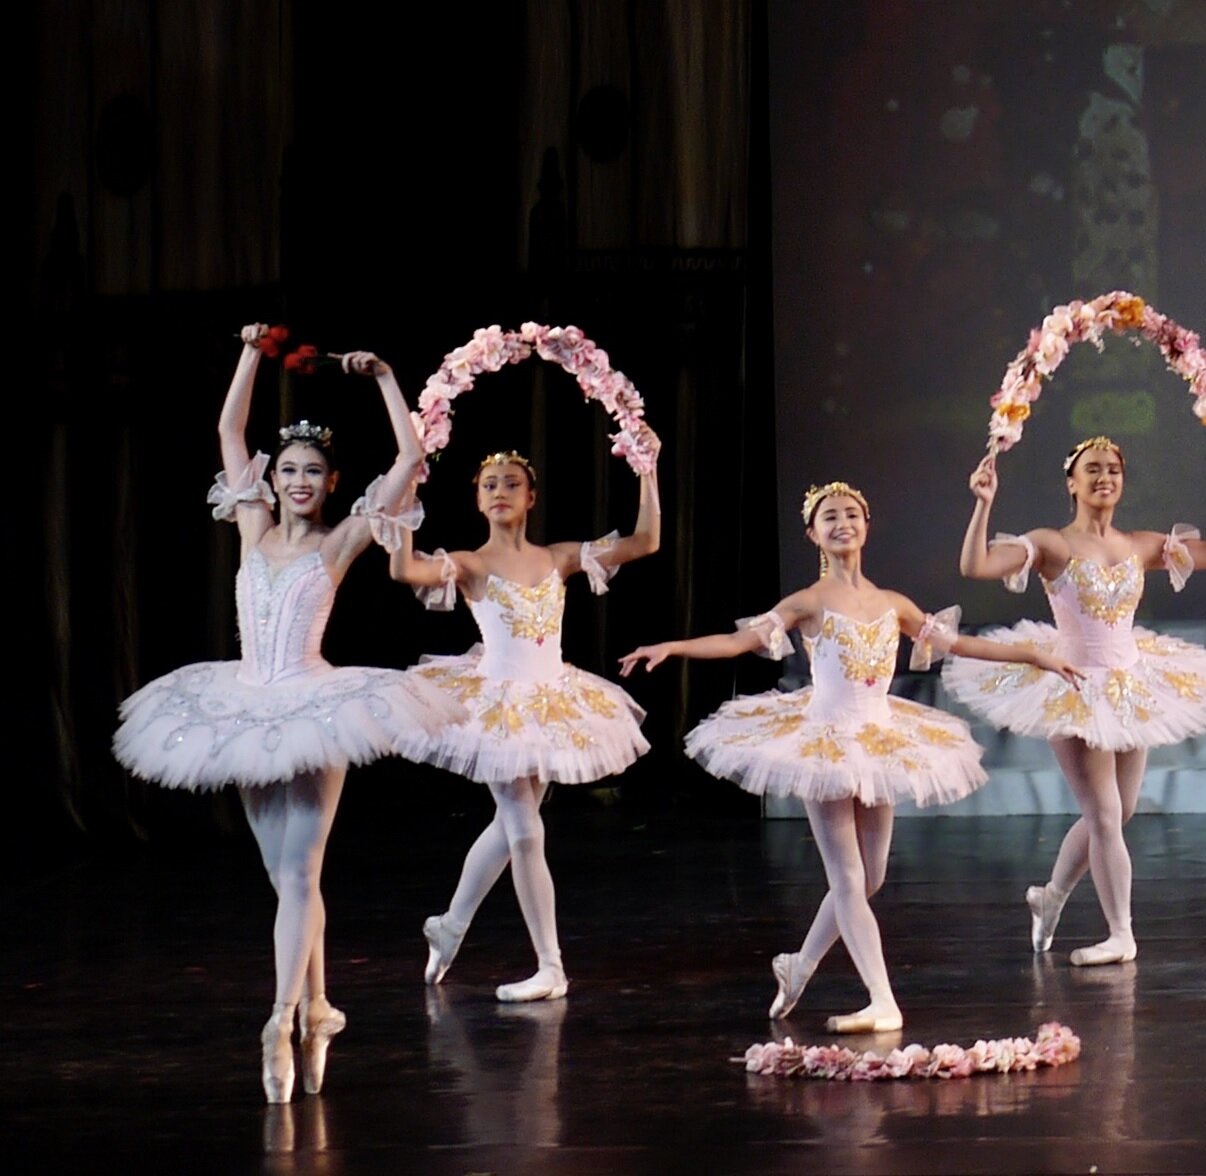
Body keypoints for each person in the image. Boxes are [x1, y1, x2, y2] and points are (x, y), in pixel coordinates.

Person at [112, 326, 453, 1102]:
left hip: (310, 706)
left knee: (300, 875)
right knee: (288, 880)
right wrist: (250, 354)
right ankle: (323, 1008)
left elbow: (408, 463)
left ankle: (279, 1019)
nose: (299, 481)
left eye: (313, 474)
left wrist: (389, 378)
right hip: (239, 711)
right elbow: (231, 429)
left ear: (331, 485)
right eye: (289, 470)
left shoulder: (336, 546)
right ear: (274, 481)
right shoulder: (252, 529)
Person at [619, 481, 1082, 1033]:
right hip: (825, 741)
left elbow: (961, 646)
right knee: (846, 878)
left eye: (851, 514)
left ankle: (800, 964)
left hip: (879, 737)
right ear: (813, 533)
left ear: (866, 525)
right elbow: (738, 642)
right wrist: (675, 647)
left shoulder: (893, 603)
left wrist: (1033, 653)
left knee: (871, 877)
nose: (842, 522)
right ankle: (882, 999)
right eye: (829, 516)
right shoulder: (809, 601)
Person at [945, 437, 1206, 966]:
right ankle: (1121, 934)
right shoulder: (1052, 544)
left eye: (1113, 469)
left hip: (1131, 680)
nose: (1104, 477)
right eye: (1092, 469)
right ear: (1072, 481)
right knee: (1105, 813)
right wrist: (983, 503)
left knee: (1118, 811)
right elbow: (976, 566)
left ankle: (1052, 896)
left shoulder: (1139, 544)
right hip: (1072, 681)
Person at [389, 438, 660, 1002]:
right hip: (496, 702)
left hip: (551, 697)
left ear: (531, 496)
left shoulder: (557, 557)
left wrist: (648, 471)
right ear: (477, 500)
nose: (500, 492)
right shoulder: (469, 563)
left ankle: (451, 924)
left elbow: (646, 542)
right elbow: (404, 569)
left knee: (514, 824)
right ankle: (551, 966)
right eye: (489, 485)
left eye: (511, 483)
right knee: (525, 828)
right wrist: (406, 497)